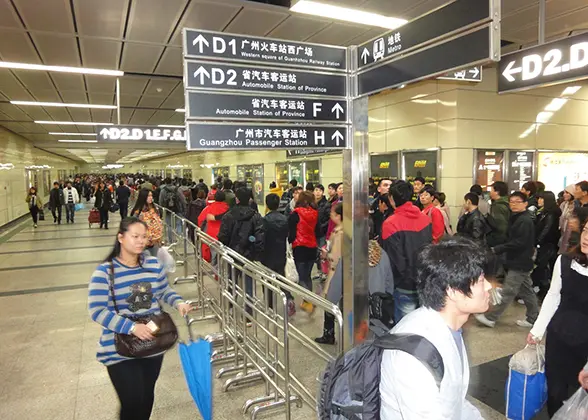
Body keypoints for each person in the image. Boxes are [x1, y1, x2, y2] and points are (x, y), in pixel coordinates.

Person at [88, 217, 191, 420]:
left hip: (152, 343)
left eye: (144, 236)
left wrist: (178, 302)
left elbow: (163, 291)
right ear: (121, 237)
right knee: (132, 401)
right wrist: (131, 327)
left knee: (146, 398)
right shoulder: (105, 272)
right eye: (135, 236)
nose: (140, 241)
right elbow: (97, 310)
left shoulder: (152, 264)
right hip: (119, 349)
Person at [380, 237, 489, 419]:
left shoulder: (450, 327)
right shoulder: (413, 356)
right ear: (453, 291)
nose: (489, 286)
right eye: (480, 280)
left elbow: (454, 401)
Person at [527, 220, 588, 415]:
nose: (587, 237)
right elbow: (553, 296)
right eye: (586, 230)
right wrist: (537, 330)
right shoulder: (565, 260)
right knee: (555, 390)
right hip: (559, 335)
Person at [475, 191, 539, 328]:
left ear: (525, 204)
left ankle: (491, 317)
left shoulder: (524, 221)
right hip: (518, 260)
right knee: (527, 291)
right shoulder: (516, 217)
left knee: (508, 291)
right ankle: (534, 318)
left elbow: (519, 242)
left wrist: (498, 249)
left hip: (520, 261)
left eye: (518, 202)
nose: (514, 204)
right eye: (512, 201)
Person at [381, 180, 432, 322]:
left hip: (403, 284)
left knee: (405, 329)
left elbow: (394, 260)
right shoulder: (425, 218)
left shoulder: (390, 224)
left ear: (391, 199)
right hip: (425, 280)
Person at [218, 188, 265, 316]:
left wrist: (226, 248)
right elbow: (260, 238)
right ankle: (249, 313)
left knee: (231, 281)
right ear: (249, 199)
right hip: (248, 256)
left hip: (231, 254)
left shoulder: (228, 215)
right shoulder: (255, 216)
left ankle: (231, 308)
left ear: (237, 199)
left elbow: (222, 236)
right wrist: (254, 253)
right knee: (249, 285)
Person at [262, 193, 295, 316]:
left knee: (267, 280)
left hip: (268, 254)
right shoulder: (284, 219)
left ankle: (270, 307)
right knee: (281, 277)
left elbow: (262, 238)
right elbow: (288, 235)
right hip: (281, 253)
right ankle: (289, 298)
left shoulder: (265, 220)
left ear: (267, 204)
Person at [315, 202, 343, 344]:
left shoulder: (340, 233)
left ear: (338, 216)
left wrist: (326, 254)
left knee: (331, 302)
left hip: (335, 272)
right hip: (336, 271)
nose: (330, 214)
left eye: (333, 213)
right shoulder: (338, 230)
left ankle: (329, 334)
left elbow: (336, 256)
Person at [288, 190, 319, 314]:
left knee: (301, 277)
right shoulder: (315, 214)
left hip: (299, 247)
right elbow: (317, 230)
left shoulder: (295, 213)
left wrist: (290, 241)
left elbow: (291, 232)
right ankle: (308, 302)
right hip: (312, 246)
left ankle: (309, 301)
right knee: (308, 276)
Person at [532, 191, 561, 299]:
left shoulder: (551, 214)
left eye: (541, 198)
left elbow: (546, 229)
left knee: (542, 267)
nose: (538, 200)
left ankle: (543, 291)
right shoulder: (544, 212)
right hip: (545, 245)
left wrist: (538, 241)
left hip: (546, 245)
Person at [198, 190, 229, 262]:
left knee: (214, 257)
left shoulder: (209, 208)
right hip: (225, 236)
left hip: (212, 236)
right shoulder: (227, 208)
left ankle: (216, 272)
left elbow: (200, 219)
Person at [131, 189, 163, 257]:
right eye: (148, 196)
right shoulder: (138, 211)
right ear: (143, 197)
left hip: (155, 241)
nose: (151, 197)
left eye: (151, 195)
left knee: (154, 259)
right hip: (143, 242)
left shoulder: (154, 208)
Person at [159, 177, 186, 243]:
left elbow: (160, 201)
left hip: (167, 210)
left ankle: (171, 241)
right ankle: (180, 238)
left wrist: (162, 211)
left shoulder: (163, 190)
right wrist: (184, 209)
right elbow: (182, 200)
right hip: (177, 209)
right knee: (179, 224)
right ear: (172, 182)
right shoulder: (177, 189)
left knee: (169, 226)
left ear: (165, 183)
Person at [486, 181, 510, 249]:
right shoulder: (508, 202)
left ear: (497, 192)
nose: (490, 192)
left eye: (492, 190)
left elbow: (501, 226)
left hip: (500, 241)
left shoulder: (498, 206)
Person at [560, 184, 576, 253]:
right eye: (564, 192)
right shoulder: (563, 204)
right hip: (562, 233)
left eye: (567, 193)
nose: (564, 194)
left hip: (572, 235)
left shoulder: (576, 206)